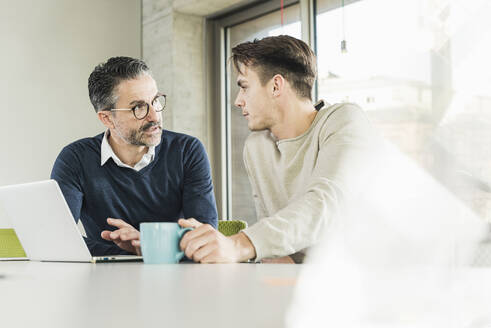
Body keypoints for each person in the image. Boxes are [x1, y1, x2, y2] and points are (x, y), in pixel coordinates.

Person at [178, 35, 378, 263]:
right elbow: (274, 247)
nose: (238, 101)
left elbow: (327, 203)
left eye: (244, 87)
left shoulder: (344, 121)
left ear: (276, 86)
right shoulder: (256, 148)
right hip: (302, 287)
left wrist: (238, 244)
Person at [51, 56, 217, 256]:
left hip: (175, 275)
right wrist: (138, 251)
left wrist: (147, 244)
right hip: (105, 278)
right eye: (138, 107)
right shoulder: (75, 159)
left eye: (155, 101)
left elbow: (205, 237)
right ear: (107, 118)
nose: (155, 116)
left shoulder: (187, 151)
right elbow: (58, 239)